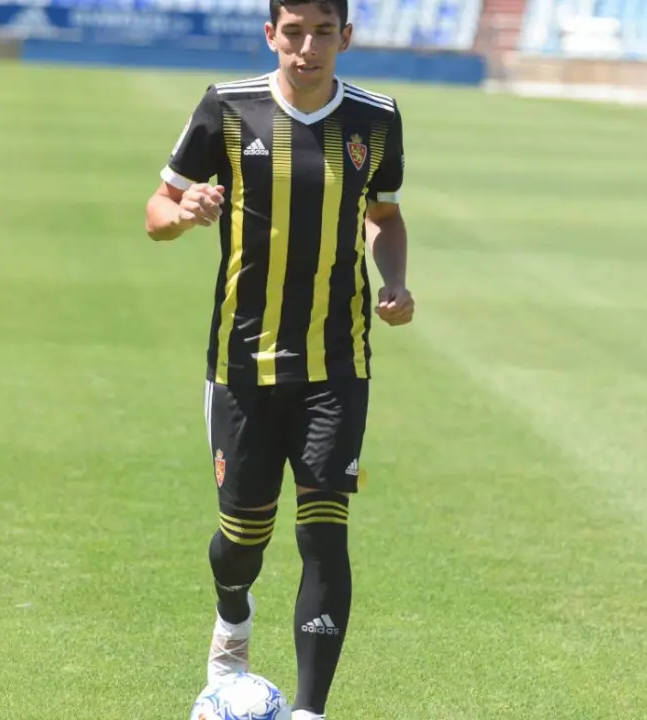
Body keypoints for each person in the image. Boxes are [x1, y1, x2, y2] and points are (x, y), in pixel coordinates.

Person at [142, 0, 414, 716]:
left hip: (336, 364)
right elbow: (156, 211)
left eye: (322, 32)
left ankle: (309, 710)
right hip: (243, 365)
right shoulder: (227, 108)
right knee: (242, 541)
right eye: (293, 32)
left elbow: (384, 215)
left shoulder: (376, 119)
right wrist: (184, 214)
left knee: (324, 530)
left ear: (345, 36)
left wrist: (395, 280)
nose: (307, 47)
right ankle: (233, 615)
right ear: (271, 35)